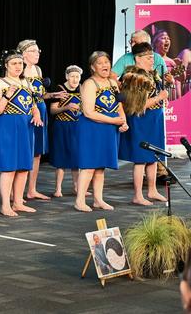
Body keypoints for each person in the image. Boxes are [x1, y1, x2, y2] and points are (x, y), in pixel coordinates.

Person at [0, 50, 42, 217]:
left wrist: (36, 114)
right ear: (6, 65)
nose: (18, 66)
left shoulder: (25, 82)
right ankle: (5, 205)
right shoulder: (0, 83)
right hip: (7, 126)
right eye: (14, 63)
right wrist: (7, 96)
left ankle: (18, 202)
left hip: (26, 126)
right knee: (9, 167)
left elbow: (32, 104)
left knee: (24, 167)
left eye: (20, 63)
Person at [74, 51, 127, 212]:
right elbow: (89, 112)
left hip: (108, 129)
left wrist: (123, 120)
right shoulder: (89, 84)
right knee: (89, 165)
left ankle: (98, 200)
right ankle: (80, 201)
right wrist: (114, 121)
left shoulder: (112, 82)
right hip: (92, 128)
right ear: (92, 67)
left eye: (107, 62)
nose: (105, 65)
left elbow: (119, 104)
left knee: (100, 166)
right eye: (100, 63)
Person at [118, 43, 169, 205]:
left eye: (152, 57)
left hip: (154, 118)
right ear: (137, 59)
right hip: (142, 120)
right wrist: (158, 98)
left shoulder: (153, 74)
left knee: (153, 157)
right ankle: (138, 195)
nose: (152, 60)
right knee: (140, 159)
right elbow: (136, 106)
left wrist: (162, 100)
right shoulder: (134, 76)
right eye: (148, 58)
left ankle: (152, 190)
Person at [17, 39, 66, 201]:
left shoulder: (37, 69)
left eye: (38, 51)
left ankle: (32, 189)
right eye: (34, 51)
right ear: (24, 54)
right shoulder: (18, 69)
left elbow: (40, 95)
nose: (37, 54)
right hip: (26, 113)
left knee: (36, 152)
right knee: (24, 151)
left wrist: (53, 95)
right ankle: (15, 192)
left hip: (41, 111)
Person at [48, 65, 83, 197]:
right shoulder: (59, 90)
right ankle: (58, 189)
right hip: (62, 126)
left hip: (77, 127)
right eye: (72, 76)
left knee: (76, 159)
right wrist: (67, 107)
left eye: (77, 77)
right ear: (67, 77)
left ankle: (77, 187)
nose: (75, 79)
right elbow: (52, 110)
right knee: (61, 159)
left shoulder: (83, 89)